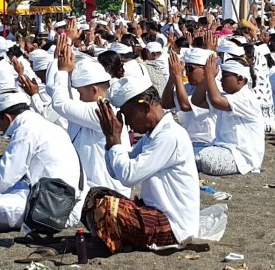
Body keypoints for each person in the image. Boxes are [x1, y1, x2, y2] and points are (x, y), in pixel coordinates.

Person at [84, 74, 200, 253]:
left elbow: (128, 177)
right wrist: (110, 139)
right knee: (96, 195)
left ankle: (110, 240)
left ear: (145, 107)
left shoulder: (170, 136)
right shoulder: (152, 135)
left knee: (106, 208)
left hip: (174, 226)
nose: (128, 123)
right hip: (156, 213)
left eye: (128, 115)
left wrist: (115, 140)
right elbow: (116, 171)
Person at [0, 91, 84, 235]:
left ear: (8, 118)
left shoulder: (26, 130)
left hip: (56, 207)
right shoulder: (40, 124)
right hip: (54, 194)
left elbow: (6, 174)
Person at [48, 41, 132, 196]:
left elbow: (60, 103)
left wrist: (62, 71)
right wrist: (59, 64)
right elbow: (57, 93)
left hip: (108, 193)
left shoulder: (101, 110)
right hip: (94, 189)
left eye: (81, 93)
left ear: (94, 90)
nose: (79, 98)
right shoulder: (92, 105)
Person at [194, 56, 265, 176]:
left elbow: (216, 101)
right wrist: (206, 80)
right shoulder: (227, 96)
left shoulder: (246, 98)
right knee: (186, 147)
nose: (221, 80)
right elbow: (197, 101)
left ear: (240, 79)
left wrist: (210, 76)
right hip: (221, 148)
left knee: (206, 160)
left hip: (241, 156)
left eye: (226, 76)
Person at [162, 48, 216, 151]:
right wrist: (172, 78)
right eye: (185, 69)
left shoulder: (214, 88)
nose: (186, 73)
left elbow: (185, 105)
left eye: (190, 69)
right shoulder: (189, 87)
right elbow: (166, 103)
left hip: (209, 144)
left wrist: (178, 76)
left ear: (205, 69)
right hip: (190, 142)